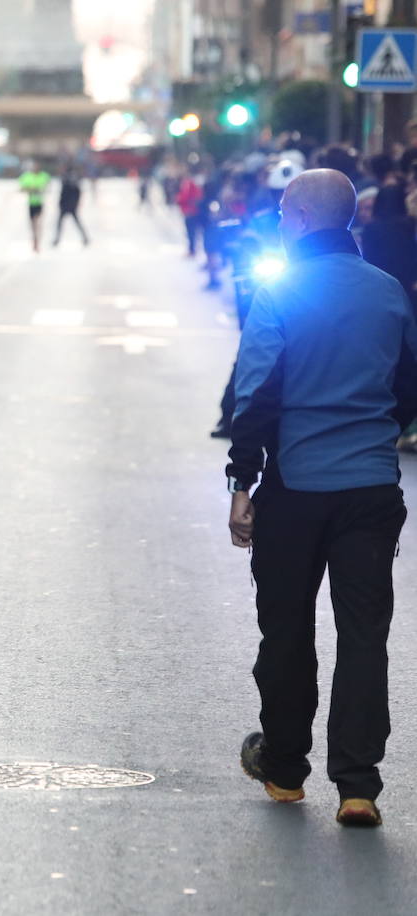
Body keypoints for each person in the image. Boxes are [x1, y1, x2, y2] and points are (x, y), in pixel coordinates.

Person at [227, 169, 417, 828]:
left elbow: (255, 395)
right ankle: (358, 784)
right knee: (365, 635)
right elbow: (410, 380)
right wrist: (379, 430)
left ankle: (283, 767)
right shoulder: (389, 292)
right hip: (370, 487)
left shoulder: (280, 289)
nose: (280, 221)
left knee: (287, 628)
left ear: (301, 219)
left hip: (297, 486)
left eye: (283, 211)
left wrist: (240, 483)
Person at [17, 161, 51, 253]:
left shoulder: (43, 176)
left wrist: (41, 189)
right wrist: (30, 189)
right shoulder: (27, 176)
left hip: (40, 203)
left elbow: (48, 186)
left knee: (38, 223)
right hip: (31, 204)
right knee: (33, 225)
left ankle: (37, 242)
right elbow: (21, 188)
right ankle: (35, 240)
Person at [51, 168, 90, 247]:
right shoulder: (69, 183)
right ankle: (57, 239)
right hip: (66, 206)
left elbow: (75, 195)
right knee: (61, 223)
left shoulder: (70, 184)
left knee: (69, 223)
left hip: (69, 206)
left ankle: (85, 238)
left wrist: (74, 204)